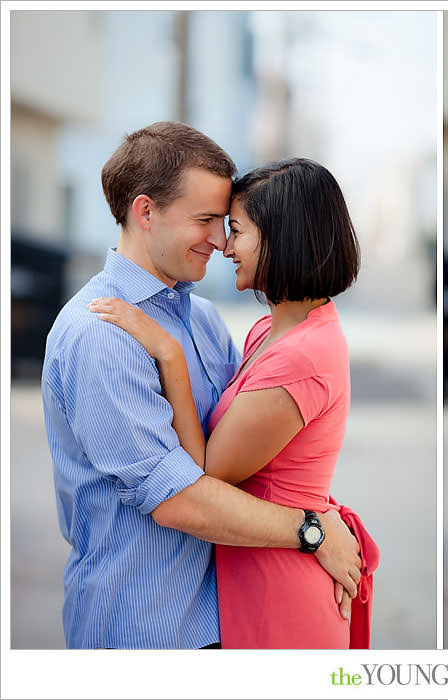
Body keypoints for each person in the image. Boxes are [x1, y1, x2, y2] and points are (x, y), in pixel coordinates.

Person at [41, 122, 362, 649]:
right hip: (146, 629)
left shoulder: (206, 320)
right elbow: (180, 499)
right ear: (145, 212)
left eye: (228, 224)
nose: (219, 241)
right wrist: (312, 530)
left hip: (224, 618)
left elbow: (252, 458)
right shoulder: (100, 334)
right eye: (206, 220)